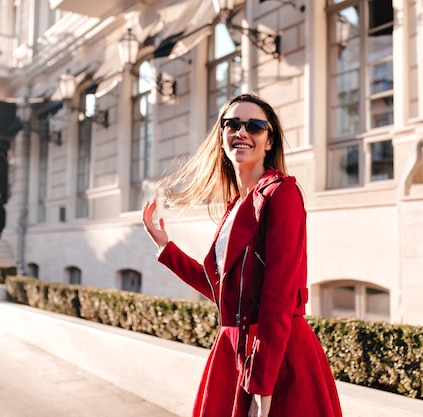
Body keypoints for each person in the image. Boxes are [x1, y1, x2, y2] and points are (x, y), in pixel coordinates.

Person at [143, 93, 342, 417]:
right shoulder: (236, 204)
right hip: (234, 350)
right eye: (232, 124)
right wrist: (167, 248)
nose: (242, 131)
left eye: (255, 125)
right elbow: (225, 295)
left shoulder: (282, 193)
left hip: (277, 357)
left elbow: (277, 294)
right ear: (221, 136)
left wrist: (262, 384)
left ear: (269, 140)